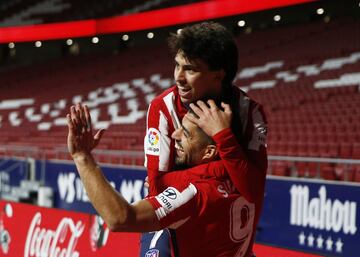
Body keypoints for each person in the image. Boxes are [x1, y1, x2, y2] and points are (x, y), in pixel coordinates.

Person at [67, 102, 258, 257]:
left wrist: (82, 157)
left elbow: (121, 218)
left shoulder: (193, 193)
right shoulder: (246, 176)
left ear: (209, 152)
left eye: (186, 134)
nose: (175, 135)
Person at [143, 22, 268, 256]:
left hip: (225, 226)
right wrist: (219, 173)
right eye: (177, 65)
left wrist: (223, 135)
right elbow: (157, 186)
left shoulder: (250, 112)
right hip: (171, 217)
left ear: (218, 75)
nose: (178, 77)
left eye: (190, 69)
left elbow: (252, 190)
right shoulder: (161, 108)